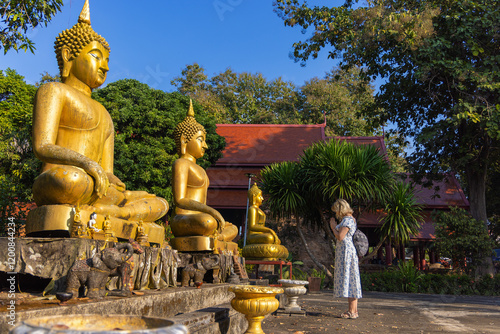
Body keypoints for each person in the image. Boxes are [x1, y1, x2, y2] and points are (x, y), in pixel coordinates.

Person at [30, 0, 168, 223]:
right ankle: (115, 213)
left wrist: (117, 184)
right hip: (60, 180)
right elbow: (42, 146)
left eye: (107, 60)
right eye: (96, 56)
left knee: (159, 202)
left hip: (95, 185)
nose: (105, 66)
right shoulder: (53, 91)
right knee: (71, 179)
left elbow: (106, 171)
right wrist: (86, 164)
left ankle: (116, 214)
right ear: (68, 55)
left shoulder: (104, 113)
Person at [170, 101, 238, 242]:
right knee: (208, 222)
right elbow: (180, 199)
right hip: (183, 219)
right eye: (201, 140)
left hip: (201, 217)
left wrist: (213, 214)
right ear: (184, 140)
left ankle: (218, 237)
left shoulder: (200, 169)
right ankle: (215, 235)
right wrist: (212, 211)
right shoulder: (181, 163)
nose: (205, 146)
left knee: (233, 228)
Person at [331, 199, 362, 319]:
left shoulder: (348, 219)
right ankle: (353, 311)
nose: (336, 214)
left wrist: (333, 227)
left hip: (347, 253)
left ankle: (352, 311)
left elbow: (340, 236)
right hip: (345, 252)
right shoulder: (347, 219)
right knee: (351, 281)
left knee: (351, 280)